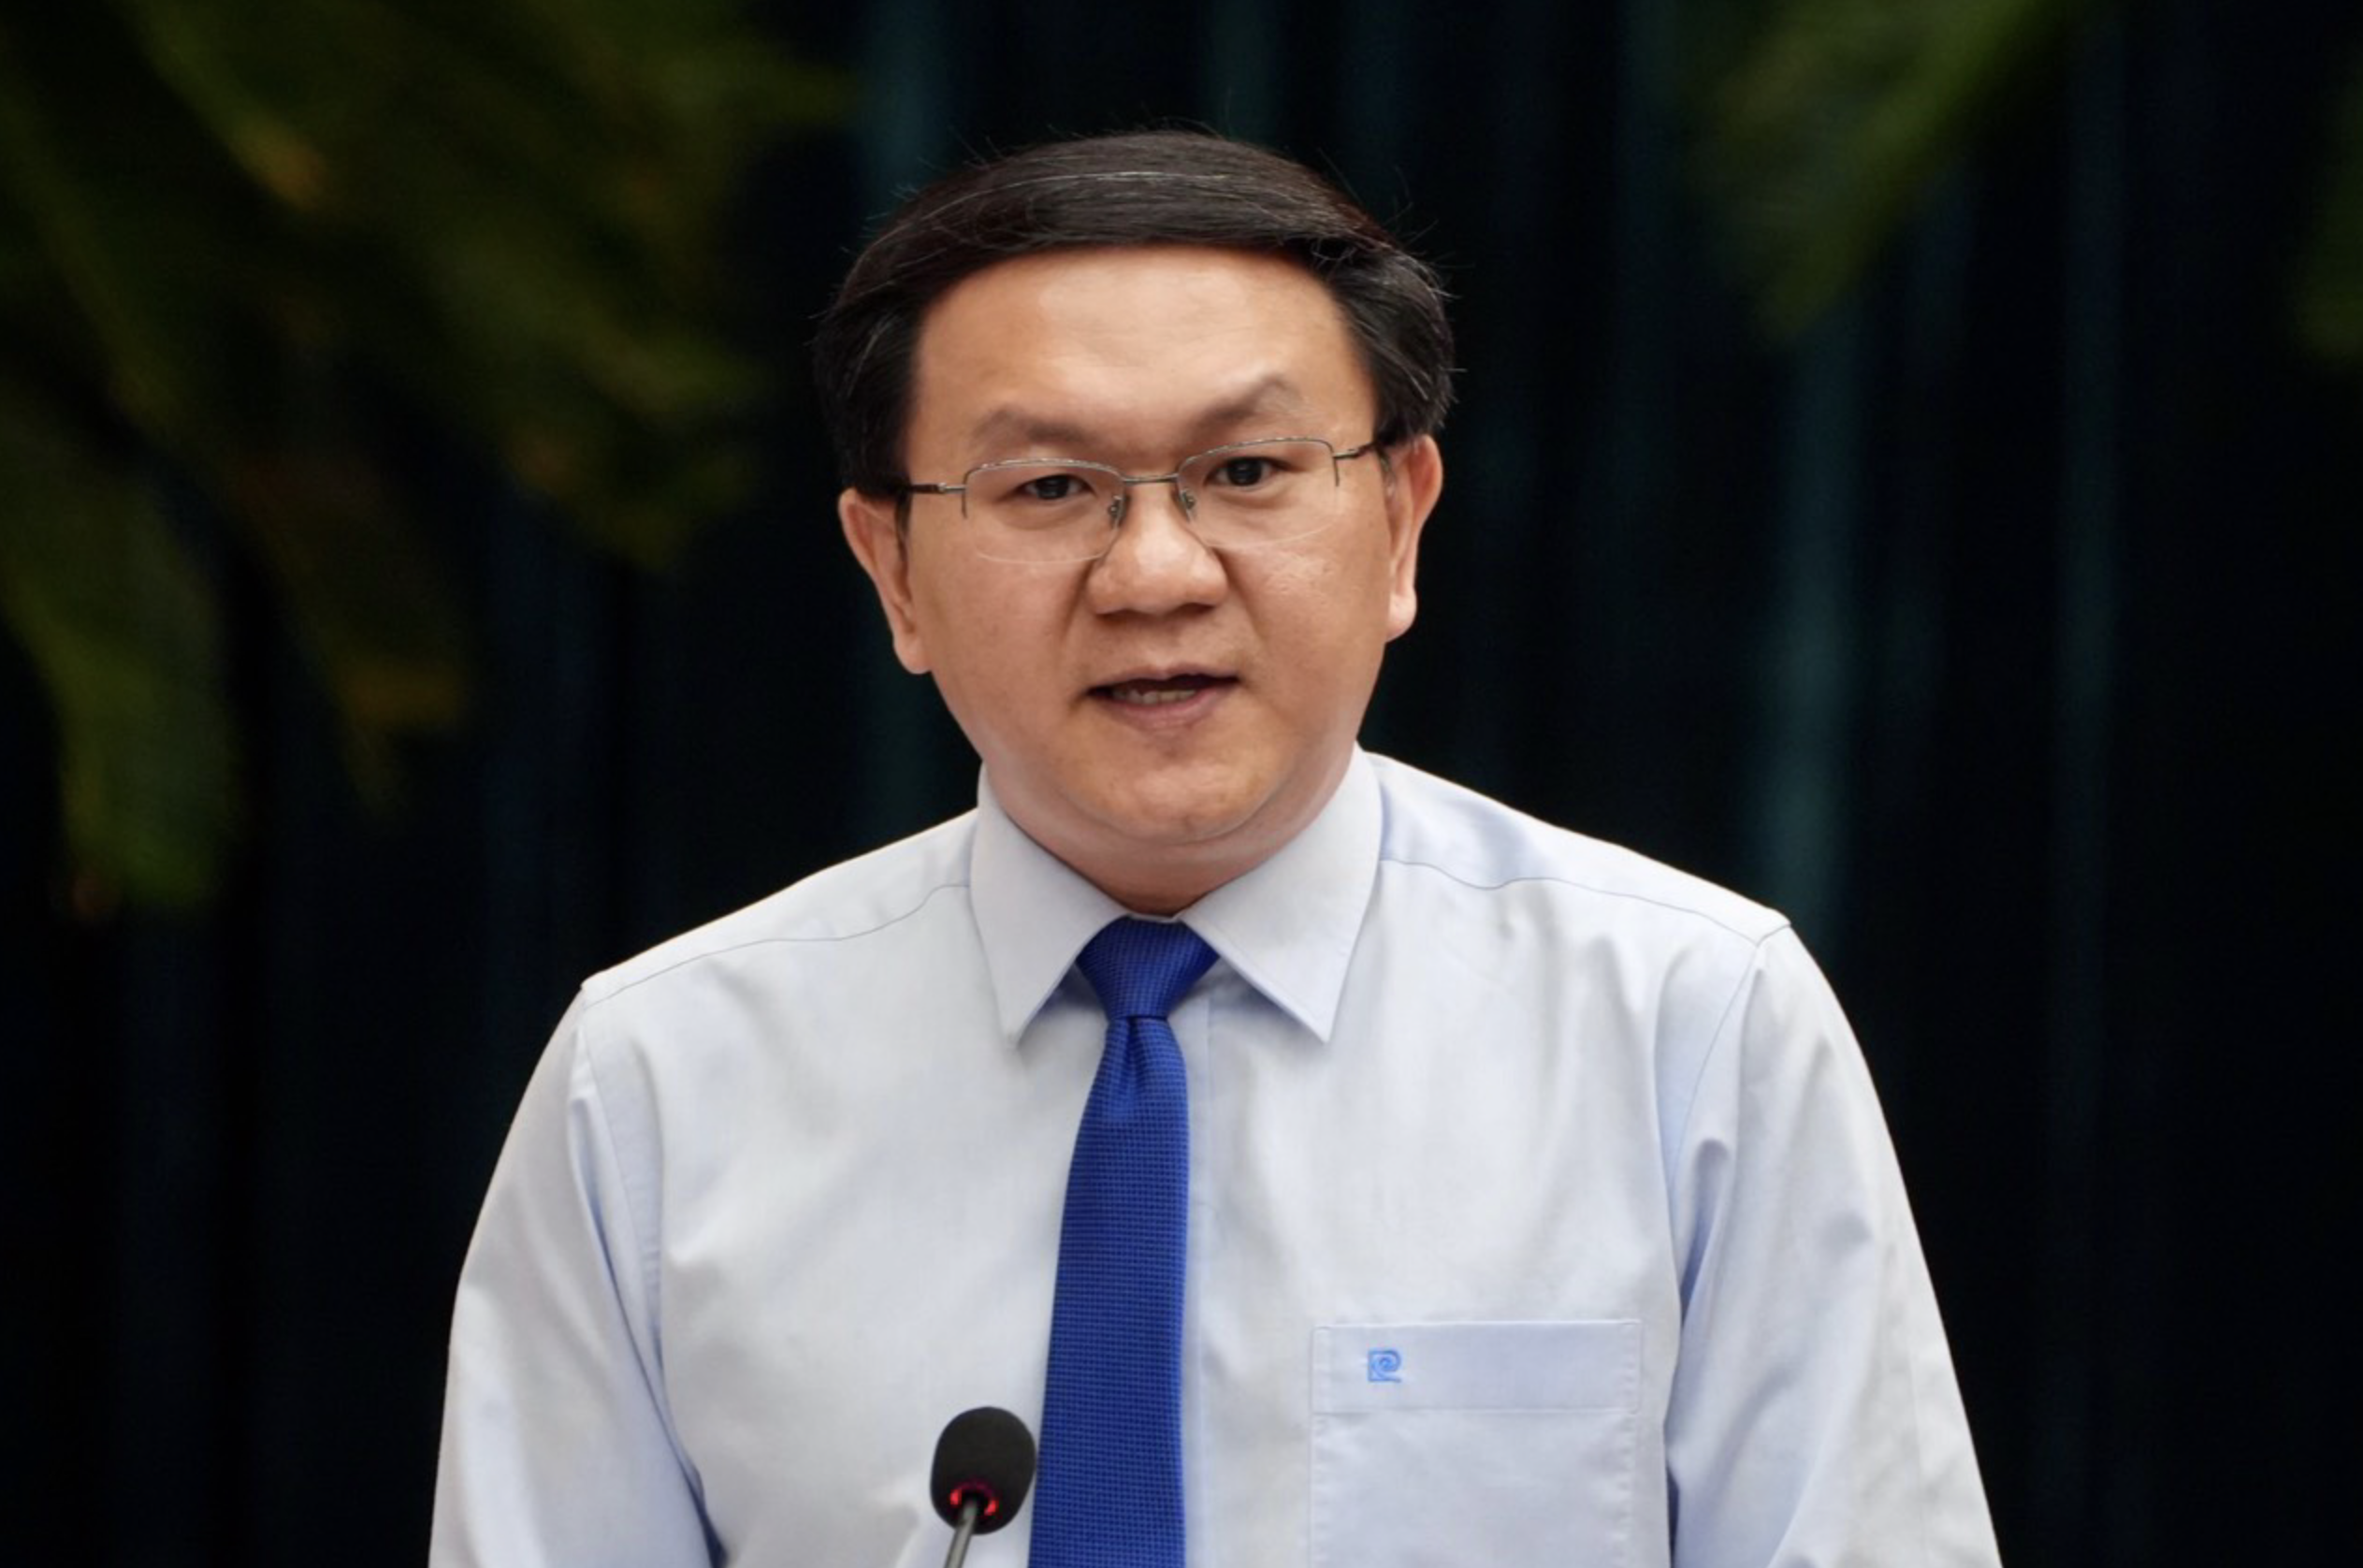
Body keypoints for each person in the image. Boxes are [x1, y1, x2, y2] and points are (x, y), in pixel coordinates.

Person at [430, 129, 2001, 1567]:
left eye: (1246, 473)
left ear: (1397, 522)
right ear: (890, 567)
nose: (1156, 571)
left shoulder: (1684, 1025)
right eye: (1048, 487)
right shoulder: (655, 1082)